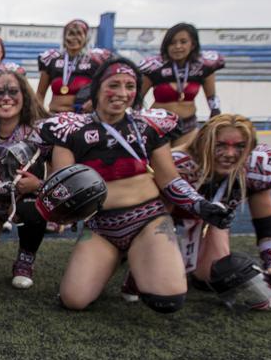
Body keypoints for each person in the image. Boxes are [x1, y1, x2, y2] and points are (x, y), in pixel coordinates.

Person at [39, 57, 233, 313]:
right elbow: (64, 181)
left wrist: (200, 205)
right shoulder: (69, 128)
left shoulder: (148, 125)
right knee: (74, 301)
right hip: (101, 226)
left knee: (167, 301)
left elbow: (169, 180)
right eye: (114, 84)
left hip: (147, 220)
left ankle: (137, 264)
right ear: (98, 87)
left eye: (130, 86)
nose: (122, 93)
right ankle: (120, 260)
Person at [171, 114, 271, 302]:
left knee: (220, 225)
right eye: (220, 145)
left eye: (240, 146)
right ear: (204, 144)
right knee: (165, 292)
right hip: (168, 227)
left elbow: (266, 222)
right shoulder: (178, 164)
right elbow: (147, 214)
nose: (230, 154)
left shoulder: (254, 169)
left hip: (209, 228)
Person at [0, 71, 51, 289]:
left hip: (26, 197)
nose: (6, 98)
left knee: (35, 208)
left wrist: (39, 185)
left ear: (24, 95)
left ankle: (25, 259)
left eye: (13, 91)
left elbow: (61, 174)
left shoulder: (42, 129)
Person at [140, 23, 224, 145]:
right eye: (172, 42)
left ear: (193, 44)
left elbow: (212, 99)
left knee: (184, 161)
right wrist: (141, 120)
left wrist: (216, 119)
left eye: (183, 42)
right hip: (158, 126)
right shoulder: (154, 67)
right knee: (161, 163)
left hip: (188, 126)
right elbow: (137, 97)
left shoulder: (203, 66)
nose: (178, 46)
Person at [36, 19, 110, 114]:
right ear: (64, 37)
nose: (74, 38)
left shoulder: (95, 60)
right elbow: (40, 94)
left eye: (79, 34)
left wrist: (95, 102)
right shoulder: (52, 59)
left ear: (86, 38)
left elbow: (106, 88)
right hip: (55, 117)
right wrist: (38, 116)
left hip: (83, 118)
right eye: (71, 33)